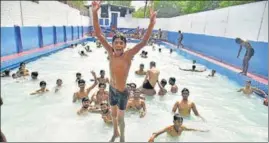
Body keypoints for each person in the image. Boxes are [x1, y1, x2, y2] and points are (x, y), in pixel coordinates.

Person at [92, 0, 156, 141]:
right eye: (116, 43)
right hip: (112, 90)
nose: (119, 45)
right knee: (113, 115)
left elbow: (144, 42)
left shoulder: (128, 55)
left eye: (122, 43)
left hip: (122, 92)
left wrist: (151, 23)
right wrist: (95, 12)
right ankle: (115, 133)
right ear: (113, 45)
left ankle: (123, 138)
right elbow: (98, 34)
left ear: (125, 45)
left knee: (121, 118)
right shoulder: (110, 52)